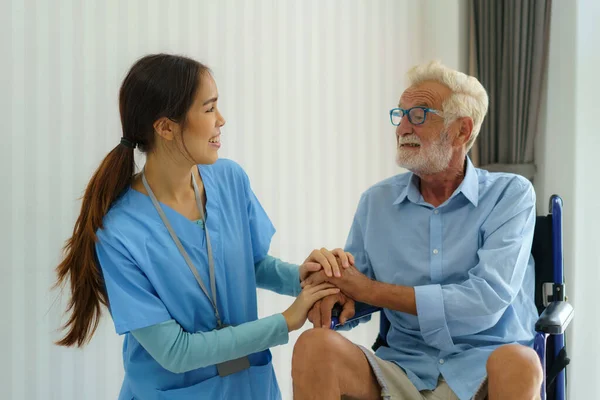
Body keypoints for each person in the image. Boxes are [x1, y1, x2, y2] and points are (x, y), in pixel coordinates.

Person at [54, 53, 353, 400]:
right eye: (209, 109)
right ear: (166, 127)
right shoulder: (119, 232)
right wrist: (286, 321)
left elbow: (250, 263)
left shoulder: (229, 179)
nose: (221, 120)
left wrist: (305, 279)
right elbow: (175, 351)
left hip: (249, 386)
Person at [294, 61, 543, 400]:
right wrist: (329, 289)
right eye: (401, 114)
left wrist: (367, 288)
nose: (403, 128)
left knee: (522, 362)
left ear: (461, 131)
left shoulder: (510, 194)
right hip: (402, 369)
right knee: (315, 346)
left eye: (420, 114)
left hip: (483, 369)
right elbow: (355, 295)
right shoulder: (376, 202)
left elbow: (487, 300)